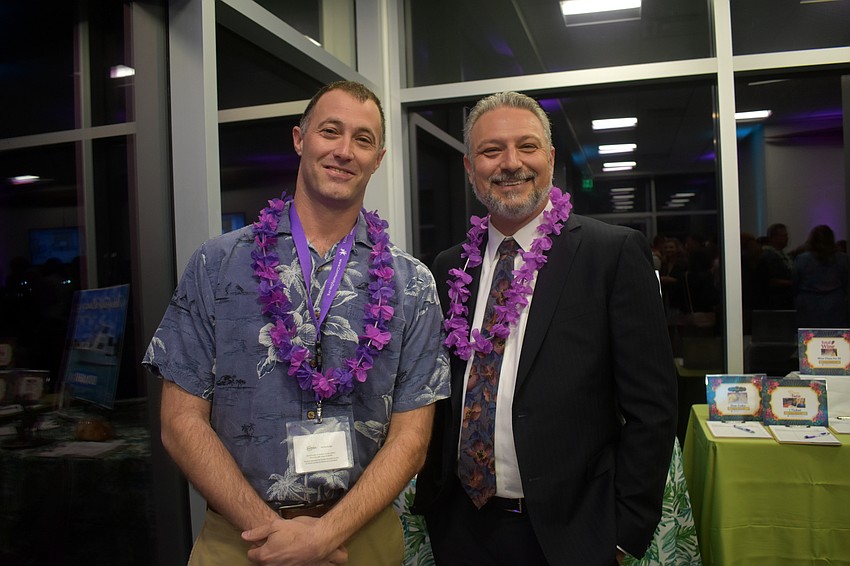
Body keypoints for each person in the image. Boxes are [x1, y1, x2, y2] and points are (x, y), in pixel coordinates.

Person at [143, 80, 450, 566]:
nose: (345, 151)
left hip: (361, 542)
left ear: (379, 157)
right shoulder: (217, 264)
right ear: (299, 139)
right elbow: (180, 422)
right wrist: (273, 534)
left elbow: (411, 440)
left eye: (363, 139)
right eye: (331, 131)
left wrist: (325, 534)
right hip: (240, 541)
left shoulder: (412, 283)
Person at [413, 91, 678, 565]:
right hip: (460, 525)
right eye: (492, 150)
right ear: (470, 166)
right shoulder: (451, 267)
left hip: (570, 533)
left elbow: (652, 408)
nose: (511, 163)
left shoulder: (610, 254)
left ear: (551, 159)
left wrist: (623, 532)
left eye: (527, 146)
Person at [793, 224, 849, 328]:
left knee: (808, 339)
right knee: (835, 338)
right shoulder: (843, 259)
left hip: (808, 302)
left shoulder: (802, 259)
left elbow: (796, 282)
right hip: (836, 301)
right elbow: (845, 282)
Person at [755, 222, 794, 310]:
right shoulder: (769, 256)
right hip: (776, 301)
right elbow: (770, 280)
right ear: (773, 238)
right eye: (783, 235)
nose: (787, 238)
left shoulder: (781, 255)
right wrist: (792, 283)